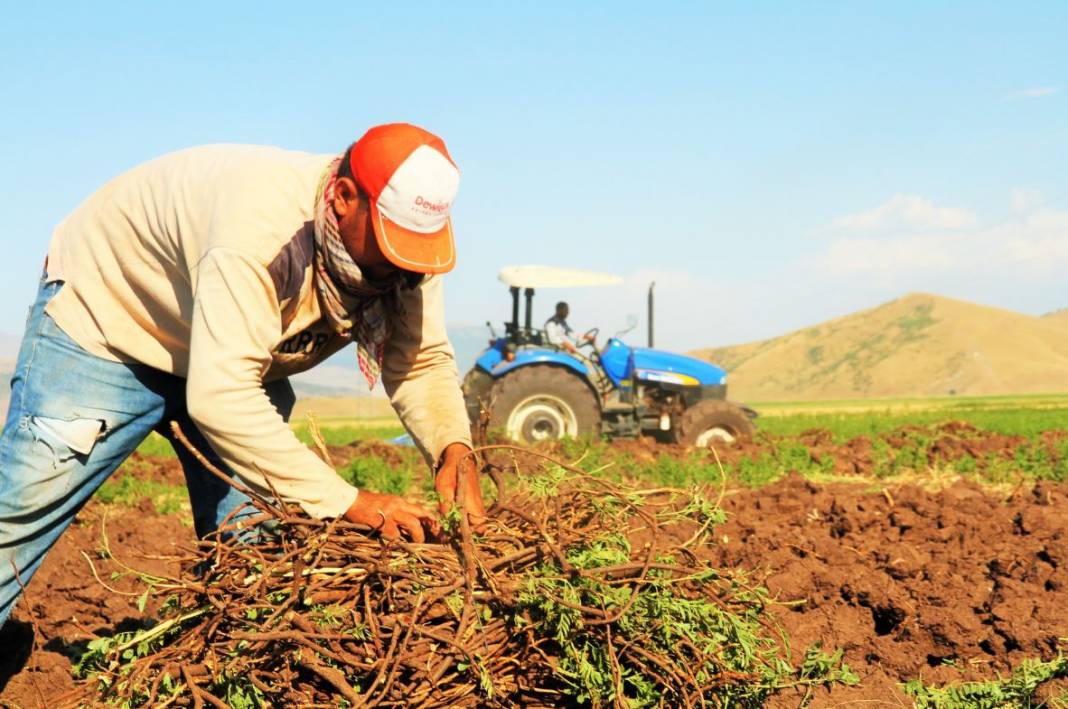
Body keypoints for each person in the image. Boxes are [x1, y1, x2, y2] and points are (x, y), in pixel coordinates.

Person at [0, 123, 486, 628]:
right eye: (390, 244)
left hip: (235, 352)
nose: (399, 264)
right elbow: (223, 397)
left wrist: (454, 448)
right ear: (344, 197)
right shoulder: (258, 231)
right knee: (18, 513)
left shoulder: (406, 256)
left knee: (255, 555)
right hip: (111, 320)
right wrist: (351, 502)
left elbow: (420, 361)